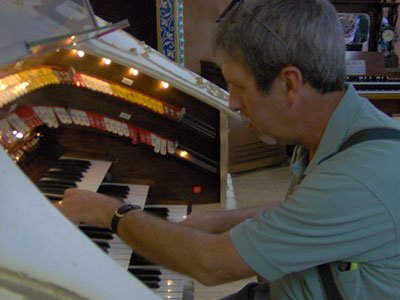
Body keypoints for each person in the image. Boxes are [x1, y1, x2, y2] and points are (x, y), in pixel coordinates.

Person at [55, 0, 400, 299]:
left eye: (238, 86)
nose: (233, 103)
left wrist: (110, 213)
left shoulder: (358, 177)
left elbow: (212, 264)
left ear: (289, 84)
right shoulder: (341, 130)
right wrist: (219, 220)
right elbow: (306, 210)